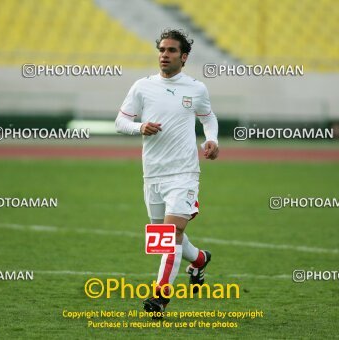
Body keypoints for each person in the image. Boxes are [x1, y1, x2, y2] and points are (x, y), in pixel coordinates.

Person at [115, 29, 219, 316]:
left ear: (184, 57)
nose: (164, 55)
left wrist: (212, 140)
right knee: (166, 237)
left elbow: (208, 117)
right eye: (162, 50)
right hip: (153, 175)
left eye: (172, 51)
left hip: (184, 173)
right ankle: (199, 260)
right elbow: (121, 122)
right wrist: (140, 128)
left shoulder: (196, 88)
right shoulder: (142, 86)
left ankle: (160, 297)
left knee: (172, 232)